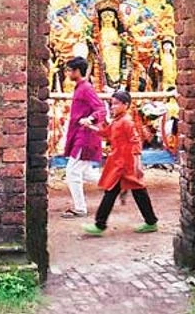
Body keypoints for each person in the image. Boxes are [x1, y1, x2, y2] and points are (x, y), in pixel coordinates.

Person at [81, 90, 159, 235]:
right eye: (112, 103)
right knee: (136, 192)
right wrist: (90, 126)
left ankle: (100, 225)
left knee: (115, 192)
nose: (112, 107)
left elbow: (136, 142)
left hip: (125, 163)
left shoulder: (127, 122)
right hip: (120, 162)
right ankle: (150, 221)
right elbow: (106, 133)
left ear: (126, 105)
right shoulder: (118, 121)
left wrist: (137, 163)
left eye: (116, 104)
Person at [61, 56, 106, 218]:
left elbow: (101, 109)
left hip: (85, 137)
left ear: (77, 71)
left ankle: (80, 208)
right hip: (81, 135)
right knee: (86, 173)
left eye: (69, 70)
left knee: (72, 172)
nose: (67, 73)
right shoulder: (80, 87)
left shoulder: (86, 88)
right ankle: (117, 183)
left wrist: (90, 119)